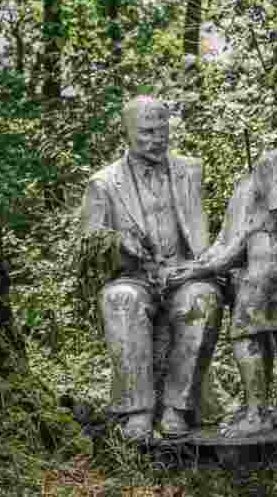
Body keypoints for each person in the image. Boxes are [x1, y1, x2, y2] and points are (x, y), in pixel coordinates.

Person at [80, 95, 223, 440]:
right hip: (134, 276)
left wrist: (203, 268)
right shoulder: (103, 182)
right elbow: (89, 241)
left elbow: (201, 230)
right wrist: (117, 242)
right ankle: (138, 410)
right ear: (127, 133)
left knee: (203, 297)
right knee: (120, 300)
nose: (156, 139)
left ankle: (179, 407)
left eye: (161, 130)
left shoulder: (191, 170)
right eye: (146, 132)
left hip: (182, 272)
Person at [166, 148, 277, 437]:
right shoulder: (249, 186)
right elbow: (229, 240)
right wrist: (200, 265)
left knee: (245, 335)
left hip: (262, 273)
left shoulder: (271, 168)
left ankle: (257, 414)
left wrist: (201, 269)